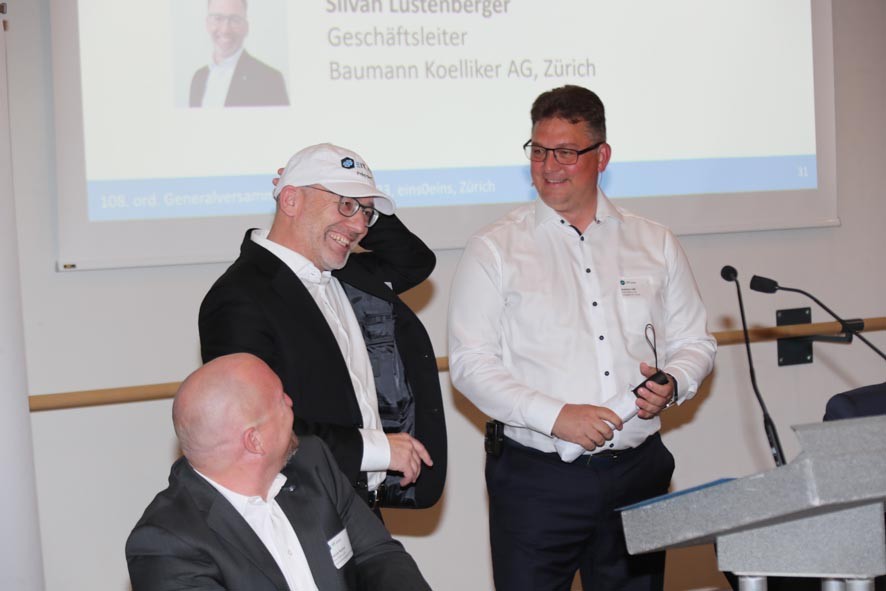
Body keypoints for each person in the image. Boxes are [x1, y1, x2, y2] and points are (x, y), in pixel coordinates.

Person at [448, 85, 717, 591]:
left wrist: (674, 382)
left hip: (638, 474)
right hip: (536, 481)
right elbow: (470, 364)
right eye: (538, 151)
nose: (549, 166)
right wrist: (558, 417)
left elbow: (695, 343)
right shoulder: (495, 248)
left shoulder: (654, 241)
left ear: (602, 156)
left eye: (566, 152)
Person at [199, 143, 446, 513]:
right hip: (297, 513)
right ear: (291, 200)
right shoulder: (240, 296)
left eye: (367, 213)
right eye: (345, 204)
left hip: (358, 509)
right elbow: (253, 428)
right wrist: (377, 449)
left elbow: (415, 261)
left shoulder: (347, 274)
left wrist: (358, 208)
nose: (360, 226)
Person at [126, 353, 431, 590]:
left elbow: (377, 555)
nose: (290, 402)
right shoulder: (167, 543)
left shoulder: (313, 462)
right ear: (254, 441)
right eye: (279, 399)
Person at [189, 0, 289, 108]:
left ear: (246, 28)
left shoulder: (269, 80)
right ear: (207, 24)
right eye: (218, 18)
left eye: (234, 20)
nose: (225, 30)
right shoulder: (198, 79)